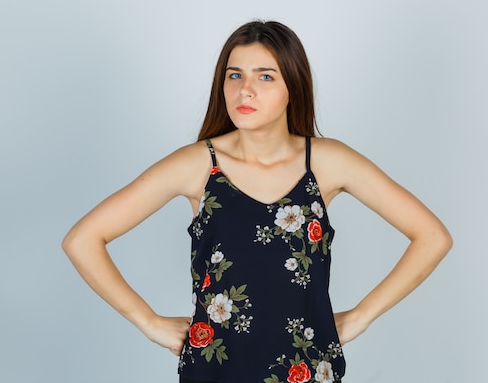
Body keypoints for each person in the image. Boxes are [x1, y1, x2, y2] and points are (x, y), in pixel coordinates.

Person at [62, 20, 453, 383]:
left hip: (308, 370)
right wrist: (147, 321)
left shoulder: (326, 162)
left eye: (265, 76)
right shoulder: (199, 164)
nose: (245, 90)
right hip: (215, 371)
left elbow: (432, 236)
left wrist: (360, 317)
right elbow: (82, 240)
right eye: (235, 75)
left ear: (292, 87)